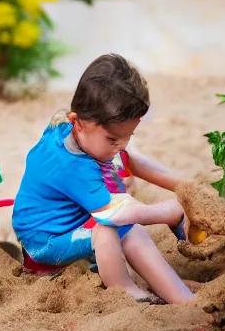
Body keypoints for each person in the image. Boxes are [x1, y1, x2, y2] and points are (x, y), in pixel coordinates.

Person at [12, 53, 194, 304]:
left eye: (129, 135)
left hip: (65, 223)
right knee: (117, 229)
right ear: (77, 122)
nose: (122, 144)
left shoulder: (73, 132)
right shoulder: (74, 166)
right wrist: (168, 212)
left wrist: (187, 189)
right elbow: (114, 215)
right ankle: (129, 291)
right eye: (113, 139)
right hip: (46, 242)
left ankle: (174, 288)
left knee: (121, 217)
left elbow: (129, 157)